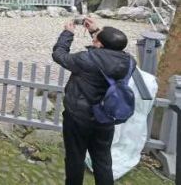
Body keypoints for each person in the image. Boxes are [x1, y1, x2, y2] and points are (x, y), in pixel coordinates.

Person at [52, 18, 136, 185]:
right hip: (105, 117)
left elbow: (59, 55)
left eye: (97, 38)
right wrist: (96, 32)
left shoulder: (86, 59)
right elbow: (108, 51)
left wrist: (67, 33)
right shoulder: (129, 61)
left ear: (100, 44)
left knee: (75, 157)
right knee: (103, 160)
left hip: (78, 117)